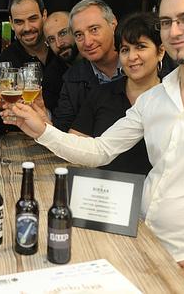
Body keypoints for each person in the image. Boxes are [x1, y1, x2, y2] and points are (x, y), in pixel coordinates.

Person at [2, 0, 184, 293]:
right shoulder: (154, 99)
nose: (175, 31)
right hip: (139, 240)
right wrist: (42, 130)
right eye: (166, 21)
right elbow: (100, 150)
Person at [69, 12, 165, 175]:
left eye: (140, 46)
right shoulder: (101, 94)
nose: (132, 57)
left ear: (160, 51)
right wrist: (43, 126)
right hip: (105, 194)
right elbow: (75, 145)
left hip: (155, 195)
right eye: (125, 50)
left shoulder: (174, 97)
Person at [52, 0, 123, 132]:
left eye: (94, 29)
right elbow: (63, 132)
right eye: (79, 35)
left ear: (113, 24)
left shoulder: (139, 64)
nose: (88, 42)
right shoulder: (72, 78)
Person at [0, 0, 55, 69]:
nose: (27, 28)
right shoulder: (7, 59)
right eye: (19, 22)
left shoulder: (59, 47)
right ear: (11, 22)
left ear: (44, 15)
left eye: (33, 19)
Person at [42, 11, 81, 113]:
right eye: (51, 39)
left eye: (63, 33)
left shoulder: (96, 59)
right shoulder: (51, 75)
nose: (59, 44)